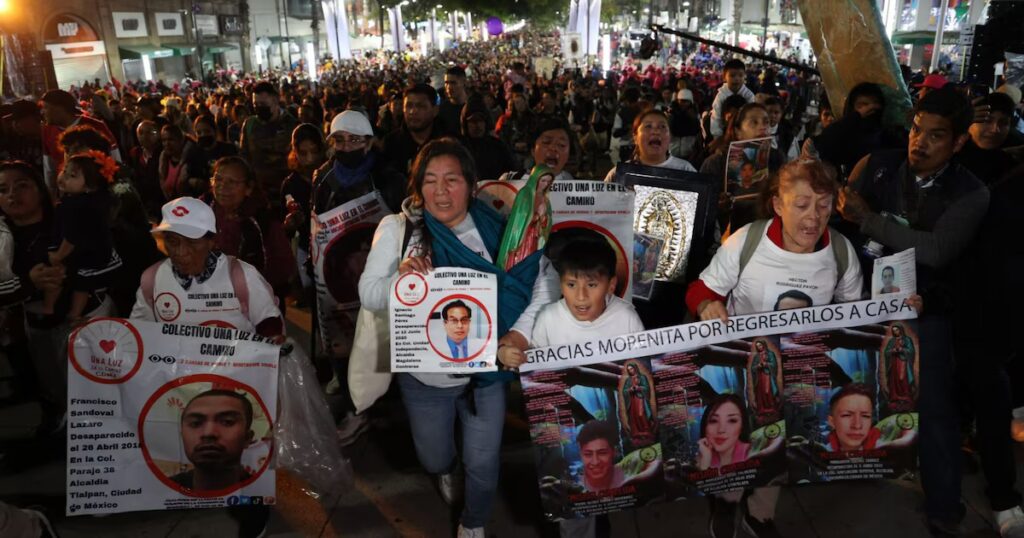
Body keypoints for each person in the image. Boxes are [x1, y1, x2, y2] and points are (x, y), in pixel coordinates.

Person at [835, 86, 1019, 536]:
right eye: (918, 129)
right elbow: (842, 222)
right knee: (850, 395)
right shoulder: (878, 166)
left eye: (936, 136)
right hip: (860, 303)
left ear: (958, 142)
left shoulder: (971, 192)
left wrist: (870, 220)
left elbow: (937, 250)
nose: (921, 142)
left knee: (934, 407)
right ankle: (850, 467)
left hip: (927, 310)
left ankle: (944, 508)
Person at [358, 139, 557, 538]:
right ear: (417, 186)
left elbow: (543, 278)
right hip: (425, 378)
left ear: (470, 183)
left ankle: (474, 522)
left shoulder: (497, 228)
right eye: (430, 181)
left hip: (486, 376)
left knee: (483, 464)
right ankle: (447, 470)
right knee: (433, 458)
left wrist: (519, 332)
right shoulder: (398, 230)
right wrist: (403, 278)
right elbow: (369, 293)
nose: (441, 191)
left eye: (452, 180)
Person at [686, 159, 864, 537]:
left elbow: (855, 316)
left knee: (781, 444)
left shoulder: (843, 253)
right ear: (778, 205)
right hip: (738, 365)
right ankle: (727, 502)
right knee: (734, 437)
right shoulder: (747, 242)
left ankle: (759, 514)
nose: (813, 217)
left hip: (800, 371)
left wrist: (896, 307)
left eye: (823, 204)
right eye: (801, 204)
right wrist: (706, 305)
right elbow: (701, 289)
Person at [531, 233, 644, 538]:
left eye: (591, 285)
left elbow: (637, 377)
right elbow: (537, 381)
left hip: (611, 432)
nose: (580, 296)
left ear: (609, 285)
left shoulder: (627, 319)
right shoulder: (548, 320)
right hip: (567, 433)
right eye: (571, 285)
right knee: (574, 510)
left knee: (606, 492)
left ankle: (599, 516)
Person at [43, 151, 122, 323]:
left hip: (91, 256)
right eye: (65, 171)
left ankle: (74, 314)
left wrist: (58, 256)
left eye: (72, 176)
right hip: (81, 249)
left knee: (81, 283)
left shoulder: (79, 206)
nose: (63, 178)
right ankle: (49, 309)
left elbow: (72, 238)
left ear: (90, 187)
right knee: (58, 274)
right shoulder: (75, 200)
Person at [207, 157, 295, 302]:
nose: (222, 186)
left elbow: (283, 267)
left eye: (232, 182)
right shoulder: (202, 210)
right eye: (218, 179)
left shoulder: (262, 220)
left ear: (248, 188)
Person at [171, 389, 256, 492]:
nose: (208, 433)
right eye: (195, 423)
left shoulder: (268, 496)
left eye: (227, 422)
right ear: (182, 436)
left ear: (247, 438)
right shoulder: (159, 492)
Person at [40, 89, 120, 192]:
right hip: (66, 193)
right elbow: (49, 169)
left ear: (60, 108)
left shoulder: (96, 126)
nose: (42, 112)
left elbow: (114, 159)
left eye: (46, 107)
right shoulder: (47, 131)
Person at [282, 123, 325, 302]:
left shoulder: (330, 175)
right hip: (305, 249)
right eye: (303, 153)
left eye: (314, 152)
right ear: (295, 152)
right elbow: (286, 230)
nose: (310, 159)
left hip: (331, 248)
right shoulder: (291, 184)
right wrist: (290, 223)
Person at [240, 81, 300, 200]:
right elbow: (244, 155)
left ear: (276, 100)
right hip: (260, 192)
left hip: (287, 190)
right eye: (255, 104)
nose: (258, 108)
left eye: (263, 104)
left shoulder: (292, 125)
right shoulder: (249, 124)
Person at [604, 109, 696, 183]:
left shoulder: (686, 170)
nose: (656, 131)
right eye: (648, 126)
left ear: (670, 137)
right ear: (635, 137)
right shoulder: (617, 175)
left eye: (662, 127)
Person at [381, 83, 451, 178]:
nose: (413, 111)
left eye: (421, 106)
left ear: (435, 110)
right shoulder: (391, 143)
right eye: (409, 106)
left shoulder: (450, 142)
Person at [956, 91, 1018, 184]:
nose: (995, 129)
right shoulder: (946, 155)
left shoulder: (1009, 164)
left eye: (1004, 123)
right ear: (970, 121)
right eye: (987, 120)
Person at [459, 97, 517, 181]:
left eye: (480, 120)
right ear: (465, 124)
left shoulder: (497, 146)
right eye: (473, 121)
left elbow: (511, 171)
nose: (477, 125)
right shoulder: (460, 149)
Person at [697, 394, 758, 470]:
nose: (721, 430)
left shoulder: (755, 453)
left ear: (742, 426)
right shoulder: (700, 458)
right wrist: (705, 463)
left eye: (732, 420)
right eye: (714, 421)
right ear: (705, 425)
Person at [128, 120, 165, 220]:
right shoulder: (135, 153)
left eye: (149, 132)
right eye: (141, 133)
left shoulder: (163, 153)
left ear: (158, 134)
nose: (145, 136)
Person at [709, 59, 755, 139]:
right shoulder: (721, 95)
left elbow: (752, 115)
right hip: (724, 131)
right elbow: (716, 117)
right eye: (732, 75)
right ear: (724, 77)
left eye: (740, 75)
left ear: (745, 76)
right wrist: (717, 137)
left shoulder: (749, 95)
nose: (737, 79)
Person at [577, 420, 625, 492]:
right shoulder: (574, 486)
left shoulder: (628, 475)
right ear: (580, 454)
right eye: (588, 454)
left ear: (614, 452)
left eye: (602, 453)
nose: (595, 462)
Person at [748, 340, 780, 421]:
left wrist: (766, 364)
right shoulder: (756, 356)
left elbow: (774, 365)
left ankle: (772, 409)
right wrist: (758, 366)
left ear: (764, 345)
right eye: (757, 346)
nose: (759, 347)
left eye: (760, 345)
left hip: (767, 376)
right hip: (759, 377)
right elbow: (752, 368)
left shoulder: (770, 354)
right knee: (760, 393)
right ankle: (762, 410)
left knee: (768, 392)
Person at [439, 66, 470, 132]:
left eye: (453, 83)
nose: (449, 87)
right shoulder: (441, 110)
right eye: (446, 83)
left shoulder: (475, 107)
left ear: (464, 82)